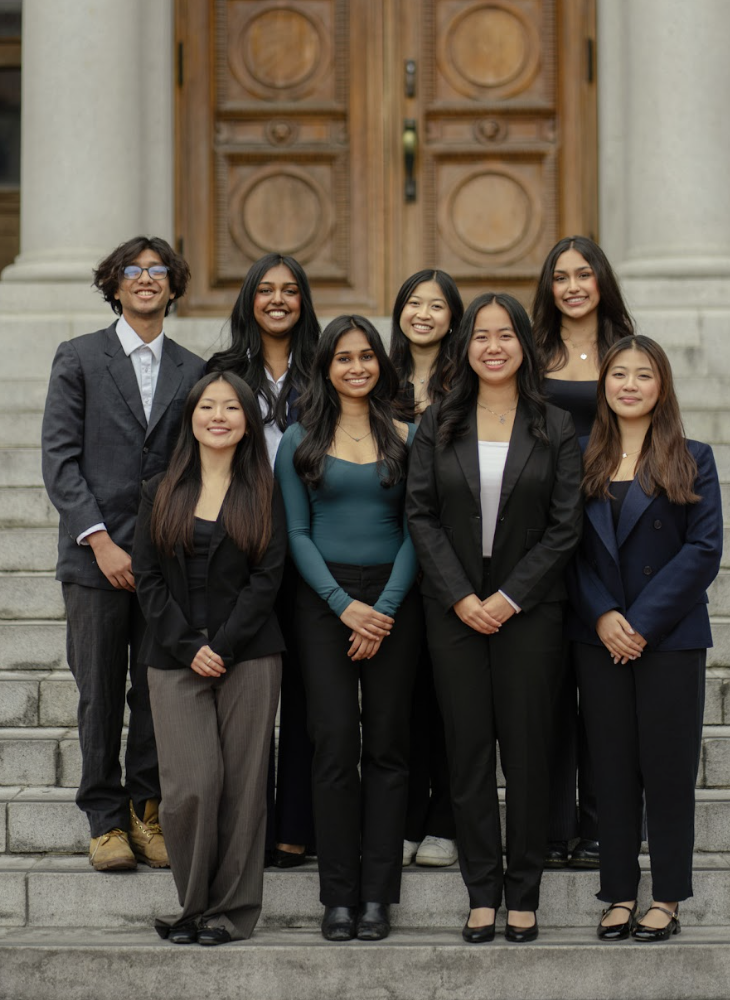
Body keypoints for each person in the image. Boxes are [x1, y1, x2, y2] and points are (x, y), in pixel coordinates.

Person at [407, 292, 583, 944]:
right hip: (453, 612)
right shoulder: (439, 423)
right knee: (470, 752)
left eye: (505, 335)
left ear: (523, 346)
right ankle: (482, 892)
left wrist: (509, 597)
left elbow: (566, 527)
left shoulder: (555, 425)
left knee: (530, 753)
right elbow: (420, 514)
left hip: (530, 613)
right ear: (466, 347)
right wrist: (460, 596)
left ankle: (524, 893)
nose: (492, 346)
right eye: (481, 336)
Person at [41, 236, 205, 871]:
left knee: (155, 690)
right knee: (101, 692)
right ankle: (104, 819)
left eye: (156, 270)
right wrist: (102, 541)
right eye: (132, 271)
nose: (145, 279)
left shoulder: (193, 371)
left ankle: (147, 810)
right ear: (113, 285)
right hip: (94, 561)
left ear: (172, 285)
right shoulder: (79, 359)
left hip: (165, 561)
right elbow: (60, 461)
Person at [567, 335, 722, 942]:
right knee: (609, 767)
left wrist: (641, 622)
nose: (629, 384)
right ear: (603, 385)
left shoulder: (692, 455)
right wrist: (603, 613)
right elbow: (565, 548)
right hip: (596, 633)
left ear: (662, 387)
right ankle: (617, 894)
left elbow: (704, 550)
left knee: (667, 767)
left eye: (643, 375)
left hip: (671, 637)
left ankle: (668, 897)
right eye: (618, 374)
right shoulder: (579, 457)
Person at [275, 316, 420, 942]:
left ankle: (378, 898)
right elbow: (296, 533)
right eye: (343, 358)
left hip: (395, 597)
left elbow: (421, 528)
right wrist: (343, 605)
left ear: (380, 365)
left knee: (387, 745)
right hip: (322, 600)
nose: (356, 367)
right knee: (333, 742)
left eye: (366, 357)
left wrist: (382, 608)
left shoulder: (409, 436)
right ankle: (337, 896)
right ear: (325, 367)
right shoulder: (297, 439)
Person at [132, 372, 287, 945]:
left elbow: (269, 577)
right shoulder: (159, 489)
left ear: (248, 420)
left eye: (231, 407)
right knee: (191, 784)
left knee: (244, 786)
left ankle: (231, 912)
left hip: (248, 654)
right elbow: (146, 577)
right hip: (173, 656)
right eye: (207, 406)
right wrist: (189, 646)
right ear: (191, 417)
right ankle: (192, 905)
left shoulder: (265, 489)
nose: (218, 415)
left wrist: (220, 647)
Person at [208, 253, 320, 868]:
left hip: (309, 548)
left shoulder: (324, 369)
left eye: (290, 290)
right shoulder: (224, 372)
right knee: (245, 698)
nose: (278, 300)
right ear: (249, 298)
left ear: (304, 301)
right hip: (243, 552)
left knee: (305, 694)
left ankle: (295, 827)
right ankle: (241, 826)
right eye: (266, 290)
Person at [532, 235, 634, 869]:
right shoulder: (532, 351)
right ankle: (550, 827)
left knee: (603, 691)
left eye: (583, 274)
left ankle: (602, 824)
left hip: (608, 527)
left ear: (601, 282)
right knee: (547, 690)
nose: (572, 285)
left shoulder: (627, 351)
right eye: (560, 276)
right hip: (542, 530)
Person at [389, 269, 463, 869]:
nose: (424, 313)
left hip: (450, 555)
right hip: (390, 554)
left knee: (446, 697)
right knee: (404, 695)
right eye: (415, 302)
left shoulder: (468, 383)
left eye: (436, 305)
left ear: (452, 317)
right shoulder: (376, 376)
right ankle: (408, 815)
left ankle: (447, 819)